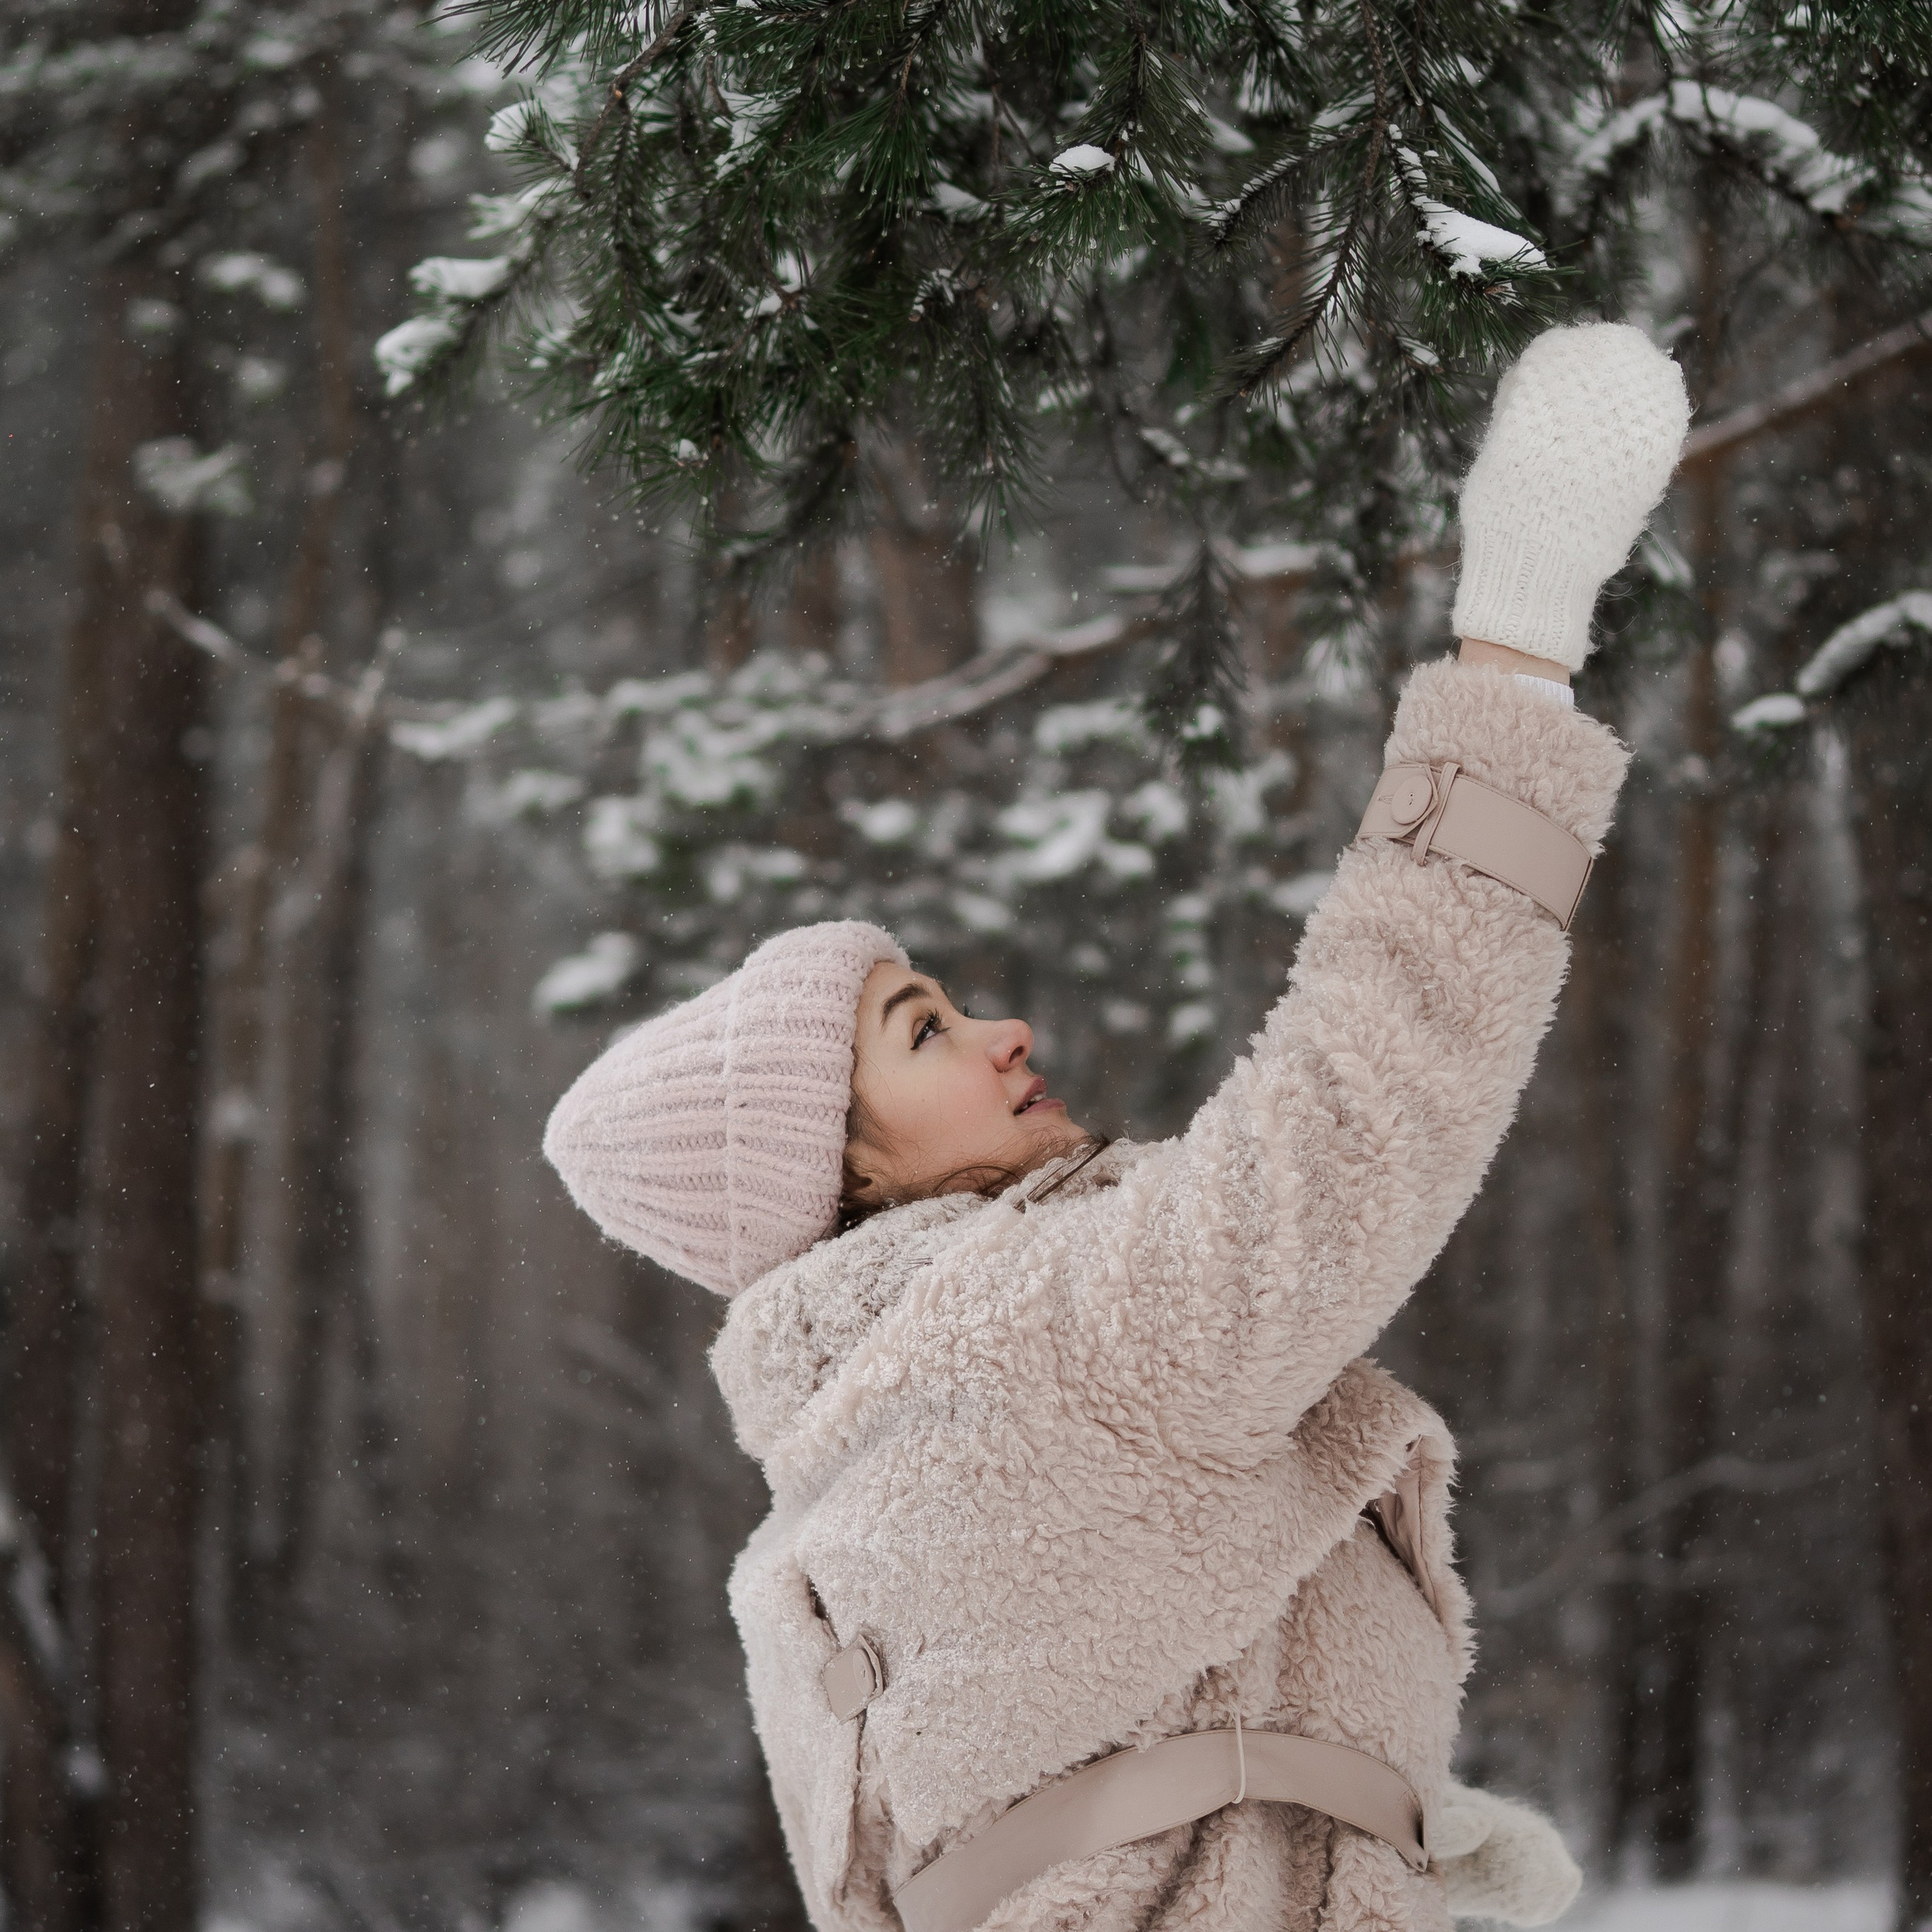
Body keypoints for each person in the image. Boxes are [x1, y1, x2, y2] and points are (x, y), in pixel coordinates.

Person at [543, 322, 1690, 1932]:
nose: (1002, 1029)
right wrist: (1515, 649)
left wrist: (1361, 1820)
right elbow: (1360, 1104)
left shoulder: (847, 1483)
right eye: (922, 1030)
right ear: (843, 1167)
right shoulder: (1025, 1340)